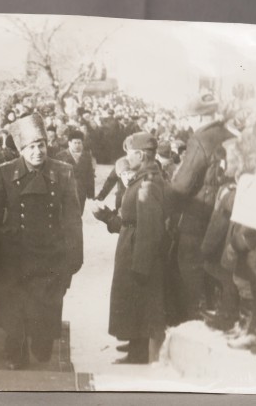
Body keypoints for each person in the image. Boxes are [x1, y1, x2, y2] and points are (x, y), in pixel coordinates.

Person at [0, 113, 84, 370]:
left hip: (50, 253)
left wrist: (75, 256)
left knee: (45, 306)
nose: (37, 152)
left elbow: (73, 218)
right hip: (13, 254)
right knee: (14, 308)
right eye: (31, 147)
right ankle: (16, 350)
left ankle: (41, 338)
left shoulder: (63, 172)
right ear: (21, 150)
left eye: (41, 145)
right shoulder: (5, 172)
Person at [94, 132, 168, 364]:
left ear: (140, 155)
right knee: (132, 298)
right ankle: (135, 343)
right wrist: (108, 217)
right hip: (131, 243)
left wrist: (141, 263)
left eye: (129, 154)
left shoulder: (147, 184)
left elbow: (149, 227)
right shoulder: (143, 178)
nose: (127, 158)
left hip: (137, 247)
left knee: (139, 298)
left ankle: (139, 352)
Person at [169, 95, 236, 320]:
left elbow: (184, 183)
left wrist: (168, 204)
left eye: (189, 118)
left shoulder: (200, 138)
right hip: (224, 208)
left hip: (199, 212)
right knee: (215, 261)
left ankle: (195, 312)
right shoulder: (228, 134)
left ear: (198, 117)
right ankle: (217, 307)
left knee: (188, 260)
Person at [56, 130, 96, 214]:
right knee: (65, 215)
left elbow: (90, 176)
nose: (77, 145)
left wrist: (91, 194)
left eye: (79, 143)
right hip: (65, 192)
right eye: (75, 143)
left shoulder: (87, 156)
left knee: (79, 214)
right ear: (69, 143)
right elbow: (56, 176)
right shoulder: (60, 156)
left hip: (81, 191)